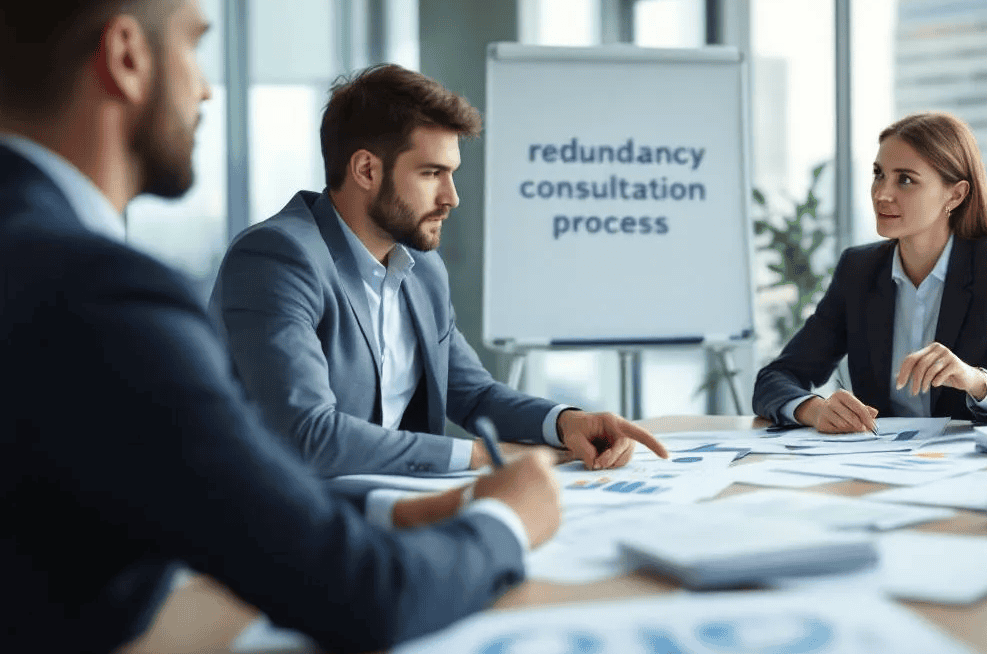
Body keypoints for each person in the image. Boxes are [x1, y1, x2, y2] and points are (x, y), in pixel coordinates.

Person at [0, 0, 563, 654]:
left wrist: (399, 506)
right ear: (128, 57)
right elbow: (360, 592)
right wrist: (506, 517)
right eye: (195, 43)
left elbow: (173, 486)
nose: (204, 86)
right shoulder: (102, 297)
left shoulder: (41, 266)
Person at [209, 64, 668, 480]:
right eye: (432, 173)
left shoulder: (421, 268)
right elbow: (309, 436)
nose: (451, 197)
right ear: (366, 169)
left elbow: (473, 394)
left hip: (383, 508)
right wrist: (483, 457)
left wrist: (567, 422)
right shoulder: (277, 258)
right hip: (275, 524)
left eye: (451, 174)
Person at [753, 112, 987, 432]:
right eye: (879, 175)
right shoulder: (858, 270)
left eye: (905, 179)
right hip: (882, 465)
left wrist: (975, 380)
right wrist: (813, 409)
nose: (882, 194)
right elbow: (774, 380)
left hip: (968, 468)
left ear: (955, 195)